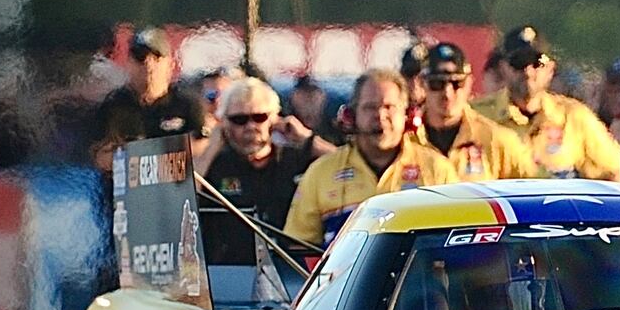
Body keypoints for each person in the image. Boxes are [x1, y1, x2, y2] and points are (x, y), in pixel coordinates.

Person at [284, 68, 457, 248]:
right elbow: (298, 247)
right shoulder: (319, 174)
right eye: (370, 107)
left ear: (408, 115)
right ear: (351, 116)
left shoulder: (438, 170)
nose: (380, 116)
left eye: (389, 107)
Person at [473, 26, 620, 180]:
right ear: (503, 68)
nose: (528, 72)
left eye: (537, 63)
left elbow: (614, 170)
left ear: (551, 68)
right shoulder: (477, 117)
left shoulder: (574, 117)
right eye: (519, 63)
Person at [196, 77, 333, 231]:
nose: (250, 126)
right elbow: (185, 204)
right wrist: (211, 148)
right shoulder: (215, 165)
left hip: (289, 251)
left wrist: (308, 140)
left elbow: (348, 167)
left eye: (259, 117)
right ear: (225, 123)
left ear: (274, 118)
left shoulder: (294, 159)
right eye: (239, 119)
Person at [90, 27, 209, 171]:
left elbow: (203, 147)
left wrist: (146, 155)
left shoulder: (187, 105)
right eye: (141, 58)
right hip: (128, 189)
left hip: (176, 188)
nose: (148, 65)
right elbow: (99, 158)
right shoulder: (113, 106)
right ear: (129, 64)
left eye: (156, 58)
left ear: (170, 65)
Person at [415, 43, 535, 181]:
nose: (447, 94)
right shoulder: (405, 140)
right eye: (437, 84)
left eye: (457, 83)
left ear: (469, 83)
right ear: (422, 84)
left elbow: (530, 191)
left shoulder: (496, 141)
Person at [289, 74, 341, 145]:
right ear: (293, 98)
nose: (308, 101)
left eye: (312, 95)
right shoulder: (285, 130)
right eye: (303, 95)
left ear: (323, 97)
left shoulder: (336, 132)